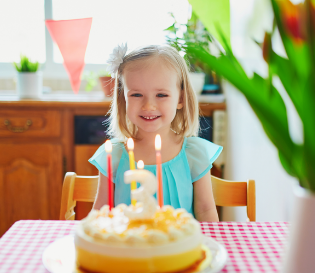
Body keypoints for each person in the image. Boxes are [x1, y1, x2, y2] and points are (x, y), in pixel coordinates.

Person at [89, 44, 222, 222]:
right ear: (123, 98)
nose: (148, 106)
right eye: (136, 95)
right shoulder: (112, 155)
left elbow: (206, 212)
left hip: (179, 248)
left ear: (180, 99)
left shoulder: (194, 154)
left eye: (161, 95)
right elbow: (100, 214)